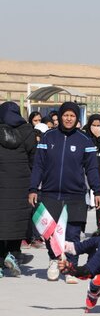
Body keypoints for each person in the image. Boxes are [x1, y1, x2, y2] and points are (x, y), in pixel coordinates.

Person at [28, 102, 100, 283]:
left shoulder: (85, 140)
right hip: (50, 192)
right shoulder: (48, 137)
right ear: (60, 116)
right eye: (65, 115)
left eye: (72, 115)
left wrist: (97, 190)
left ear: (77, 118)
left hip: (76, 194)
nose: (68, 118)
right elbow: (38, 165)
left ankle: (70, 266)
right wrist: (33, 188)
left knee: (72, 233)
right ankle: (54, 260)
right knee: (49, 231)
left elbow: (92, 168)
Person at [0, 102, 37, 278]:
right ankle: (13, 254)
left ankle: (0, 262)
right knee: (17, 221)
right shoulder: (28, 131)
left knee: (1, 221)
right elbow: (34, 158)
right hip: (21, 184)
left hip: (2, 184)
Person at [64, 212, 100, 312]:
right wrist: (63, 245)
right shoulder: (95, 240)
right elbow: (78, 247)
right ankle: (92, 294)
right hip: (95, 271)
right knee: (99, 279)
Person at [83, 114, 100, 227]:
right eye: (93, 125)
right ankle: (81, 228)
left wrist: (99, 136)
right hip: (86, 174)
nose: (96, 127)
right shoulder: (85, 137)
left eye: (98, 125)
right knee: (84, 203)